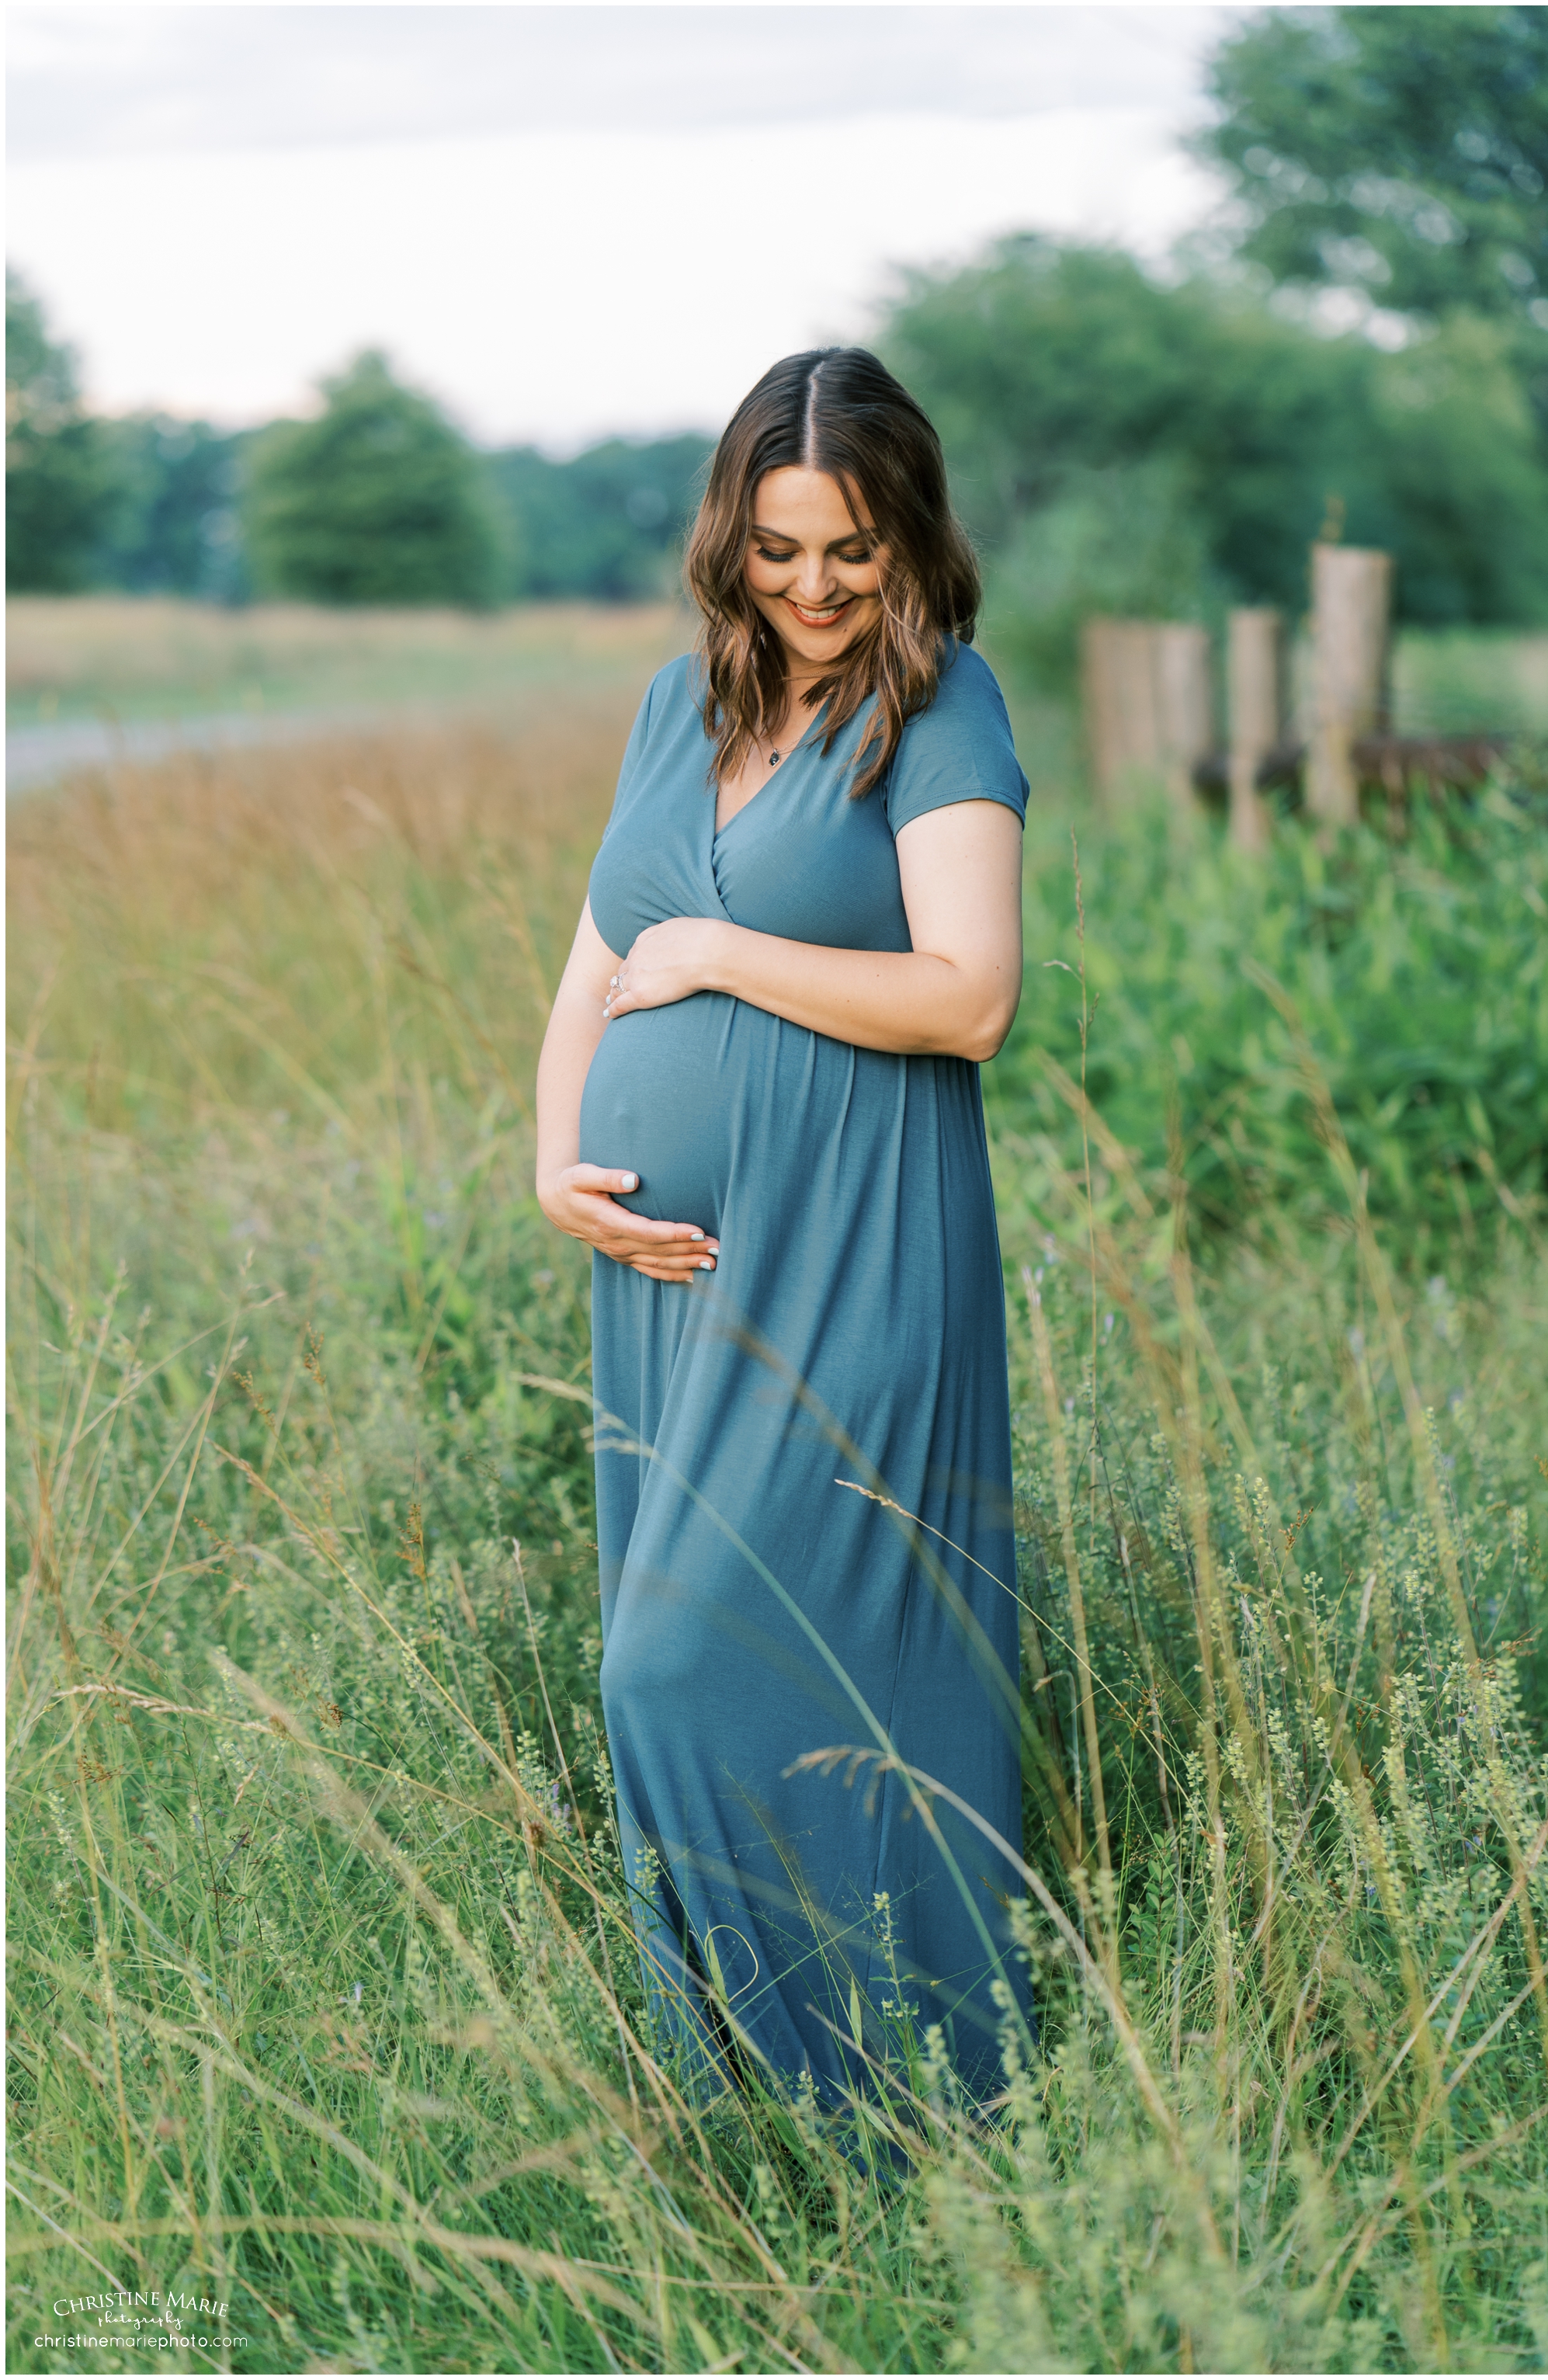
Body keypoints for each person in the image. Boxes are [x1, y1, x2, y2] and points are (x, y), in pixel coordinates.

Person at [535, 347, 1030, 2113]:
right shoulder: (679, 710)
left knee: (684, 1665)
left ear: (907, 537)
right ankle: (761, 2114)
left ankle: (926, 2092)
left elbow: (968, 997)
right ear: (725, 544)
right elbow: (604, 954)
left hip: (860, 1253)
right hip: (676, 1290)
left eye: (850, 551)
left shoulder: (941, 708)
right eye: (776, 551)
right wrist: (552, 1156)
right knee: (741, 1669)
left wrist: (731, 956)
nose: (813, 589)